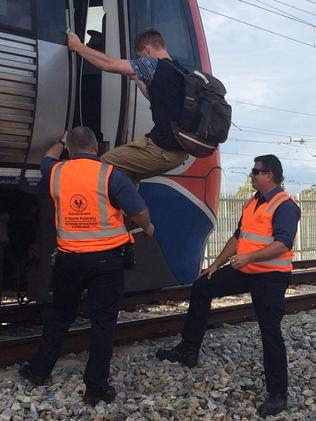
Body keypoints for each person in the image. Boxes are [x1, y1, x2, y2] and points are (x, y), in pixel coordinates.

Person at [156, 154, 300, 418]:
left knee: (270, 331)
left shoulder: (286, 206)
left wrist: (249, 257)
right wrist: (216, 265)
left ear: (270, 175)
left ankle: (278, 395)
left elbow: (283, 244)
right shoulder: (252, 202)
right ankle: (189, 349)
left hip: (271, 277)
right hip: (245, 269)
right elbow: (238, 238)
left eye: (256, 172)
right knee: (202, 287)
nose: (251, 175)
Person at [19, 127, 154, 406]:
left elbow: (47, 158)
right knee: (103, 323)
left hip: (70, 260)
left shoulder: (56, 172)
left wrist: (59, 140)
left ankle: (38, 372)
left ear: (69, 149)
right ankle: (96, 388)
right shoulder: (110, 174)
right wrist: (148, 227)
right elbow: (139, 212)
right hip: (107, 262)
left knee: (59, 317)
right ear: (96, 148)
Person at [68, 27, 188, 184]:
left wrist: (78, 46)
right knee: (126, 175)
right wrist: (137, 78)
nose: (139, 61)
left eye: (139, 57)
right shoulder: (180, 72)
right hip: (179, 153)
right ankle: (127, 208)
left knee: (102, 165)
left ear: (147, 49)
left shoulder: (153, 64)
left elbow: (108, 64)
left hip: (162, 149)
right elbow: (156, 98)